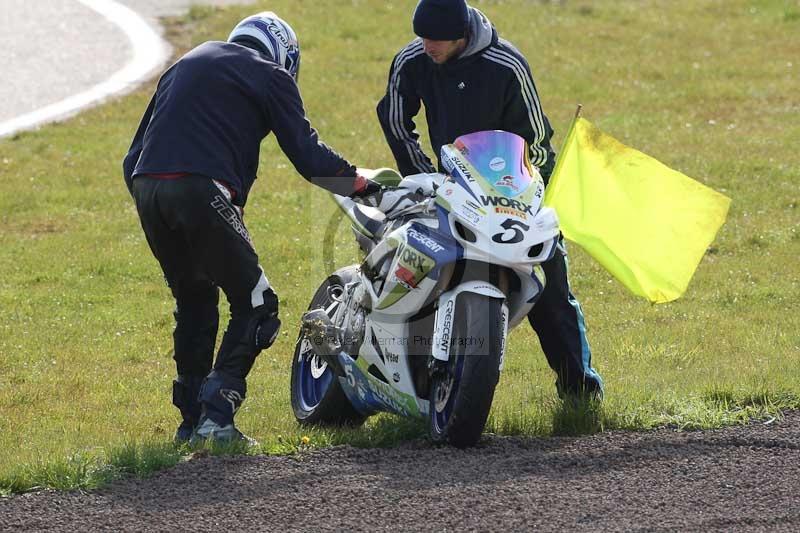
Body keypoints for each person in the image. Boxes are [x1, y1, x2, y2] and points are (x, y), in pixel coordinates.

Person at [123, 12, 389, 444]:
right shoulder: (270, 75)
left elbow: (130, 160)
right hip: (200, 187)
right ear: (284, 56)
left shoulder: (183, 64)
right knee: (258, 304)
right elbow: (309, 156)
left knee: (195, 300)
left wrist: (157, 201)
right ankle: (218, 415)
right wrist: (360, 183)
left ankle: (190, 423)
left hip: (148, 189)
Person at [376, 0, 604, 399]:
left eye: (438, 39)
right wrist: (421, 172)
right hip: (448, 189)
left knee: (549, 284)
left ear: (461, 34)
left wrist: (528, 195)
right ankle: (410, 379)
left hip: (510, 194)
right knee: (416, 268)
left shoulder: (506, 65)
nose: (428, 45)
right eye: (423, 36)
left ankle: (580, 390)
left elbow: (537, 141)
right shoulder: (413, 59)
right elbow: (395, 118)